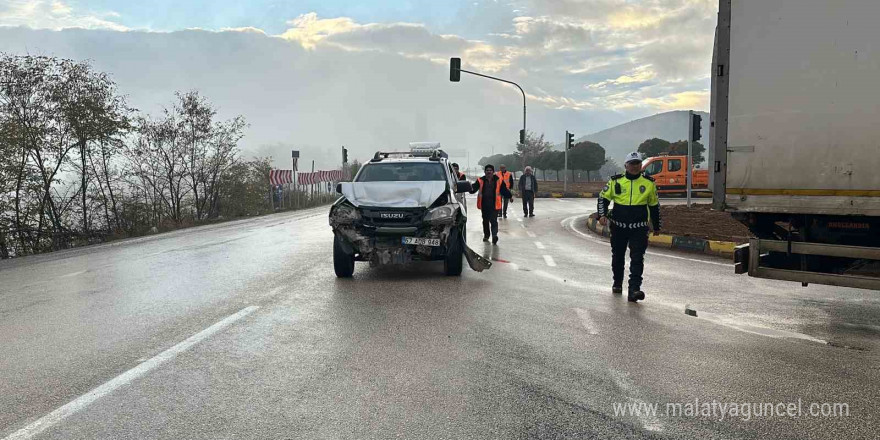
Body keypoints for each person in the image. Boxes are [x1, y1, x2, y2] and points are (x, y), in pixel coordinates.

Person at [597, 152, 661, 302]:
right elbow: (603, 198)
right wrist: (602, 215)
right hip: (618, 227)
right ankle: (617, 283)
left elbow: (654, 206)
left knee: (637, 258)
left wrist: (657, 226)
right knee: (618, 256)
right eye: (631, 163)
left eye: (637, 163)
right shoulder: (615, 182)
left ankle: (634, 289)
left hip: (639, 228)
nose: (635, 166)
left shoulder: (649, 183)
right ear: (626, 165)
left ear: (641, 165)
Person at [470, 164, 511, 244]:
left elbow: (504, 190)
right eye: (487, 170)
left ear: (493, 172)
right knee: (485, 221)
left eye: (490, 170)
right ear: (485, 172)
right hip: (484, 204)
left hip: (494, 204)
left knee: (493, 220)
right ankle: (486, 235)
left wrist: (510, 196)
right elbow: (473, 188)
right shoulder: (480, 180)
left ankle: (494, 235)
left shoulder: (498, 180)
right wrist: (469, 188)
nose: (489, 172)